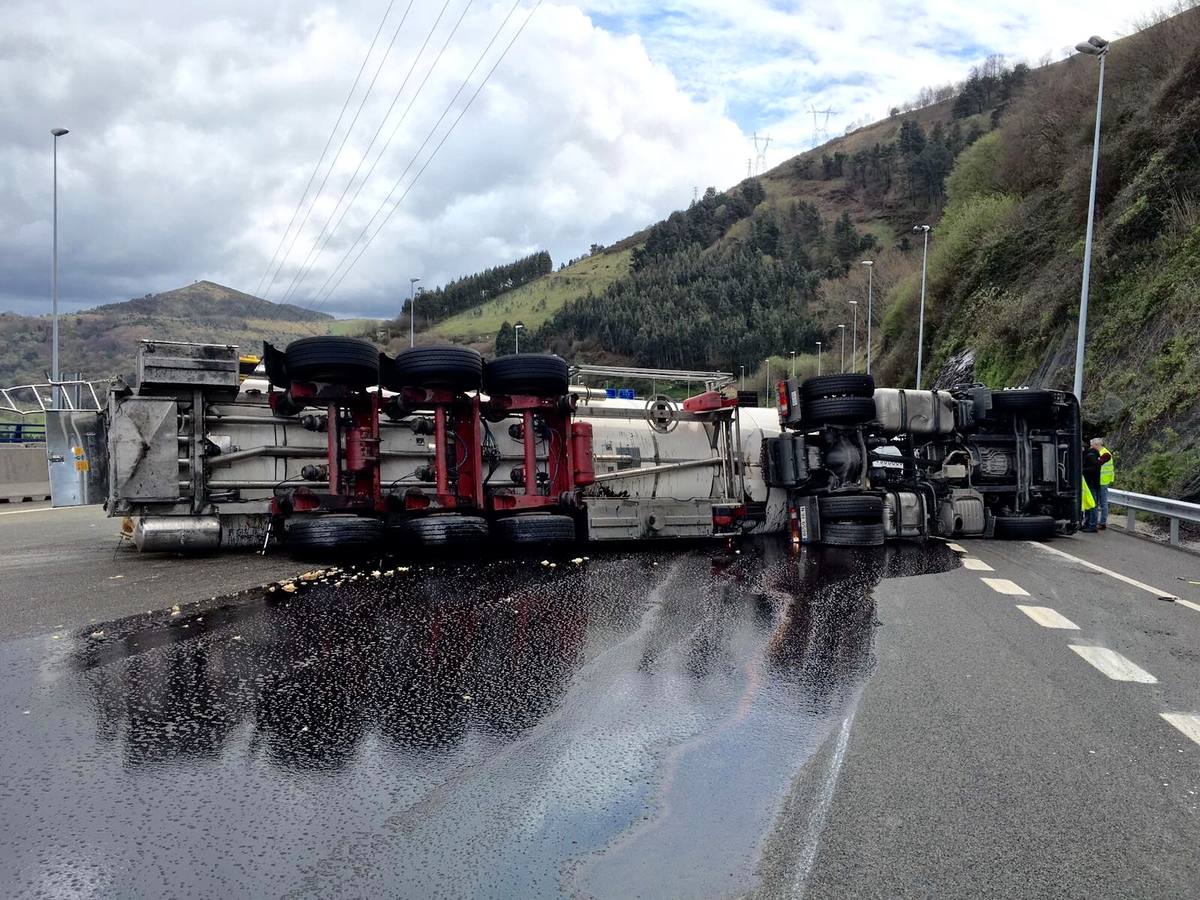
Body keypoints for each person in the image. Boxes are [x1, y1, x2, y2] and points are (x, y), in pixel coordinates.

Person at [1091, 437, 1114, 530]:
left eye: (1092, 445)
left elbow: (1097, 464)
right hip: (1098, 481)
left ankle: (1102, 522)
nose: (1091, 447)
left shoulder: (1105, 453)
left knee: (1103, 503)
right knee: (1096, 502)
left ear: (1097, 445)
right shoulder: (1100, 452)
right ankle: (1096, 522)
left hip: (1103, 481)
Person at [1081, 442, 1101, 532]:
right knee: (1090, 504)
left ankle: (1092, 525)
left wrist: (1082, 470)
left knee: (1092, 504)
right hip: (1093, 483)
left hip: (1090, 483)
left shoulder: (1090, 456)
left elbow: (1094, 468)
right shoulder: (1093, 455)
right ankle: (1088, 523)